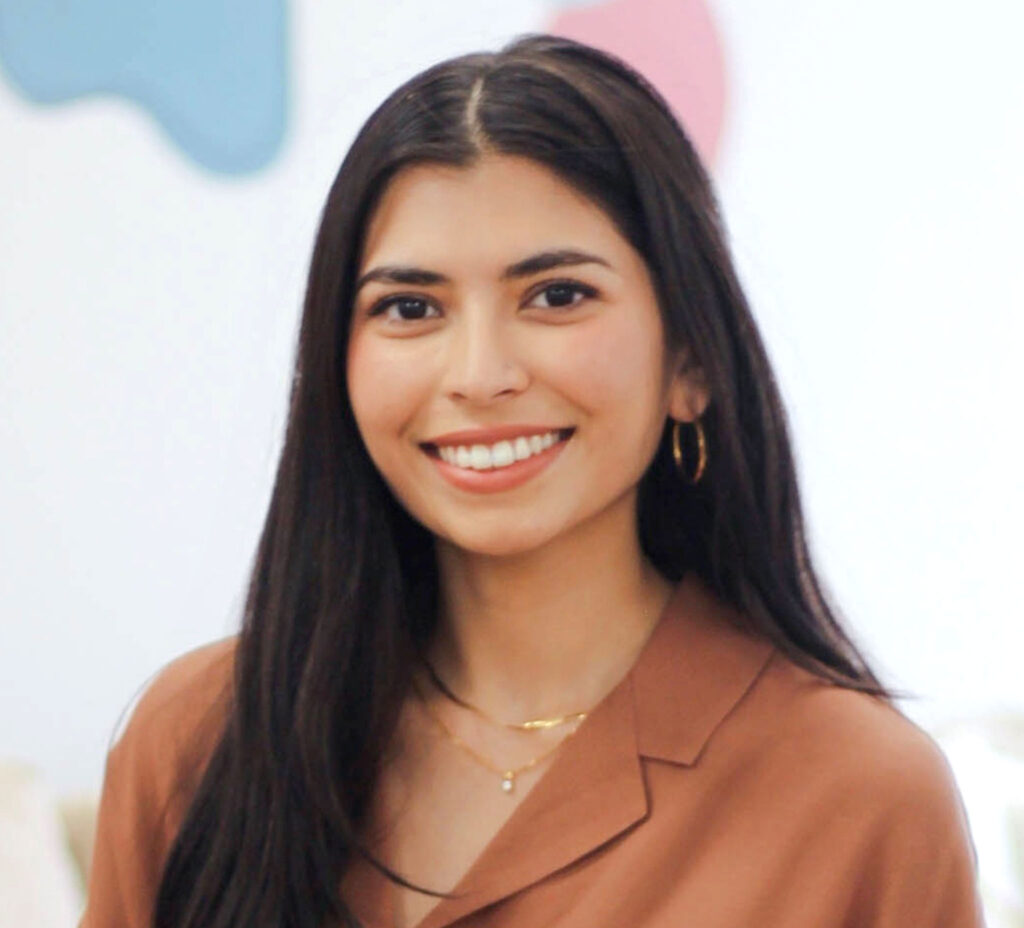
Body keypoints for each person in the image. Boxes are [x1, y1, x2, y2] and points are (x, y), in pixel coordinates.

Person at [79, 33, 986, 928]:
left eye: (556, 296)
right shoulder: (196, 740)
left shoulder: (860, 796)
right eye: (410, 308)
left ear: (690, 362)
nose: (479, 373)